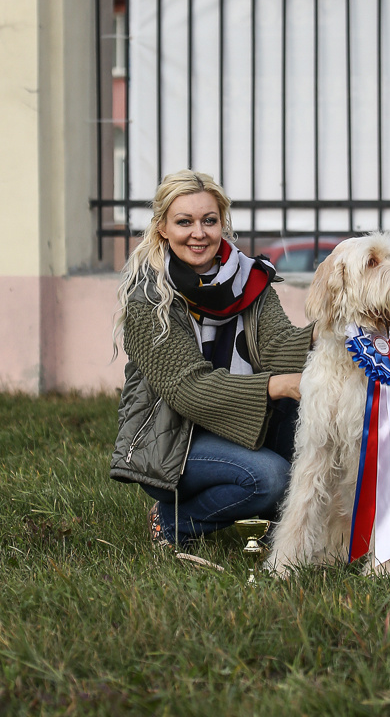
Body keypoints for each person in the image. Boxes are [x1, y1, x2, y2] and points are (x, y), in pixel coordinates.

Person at [110, 169, 315, 548]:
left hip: (237, 422)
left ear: (222, 223)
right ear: (162, 228)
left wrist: (330, 332)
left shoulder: (250, 280)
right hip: (172, 441)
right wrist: (277, 386)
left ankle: (279, 529)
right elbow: (189, 389)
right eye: (184, 222)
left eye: (209, 220)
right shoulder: (149, 298)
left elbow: (279, 347)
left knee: (307, 403)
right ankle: (173, 522)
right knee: (272, 478)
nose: (199, 233)